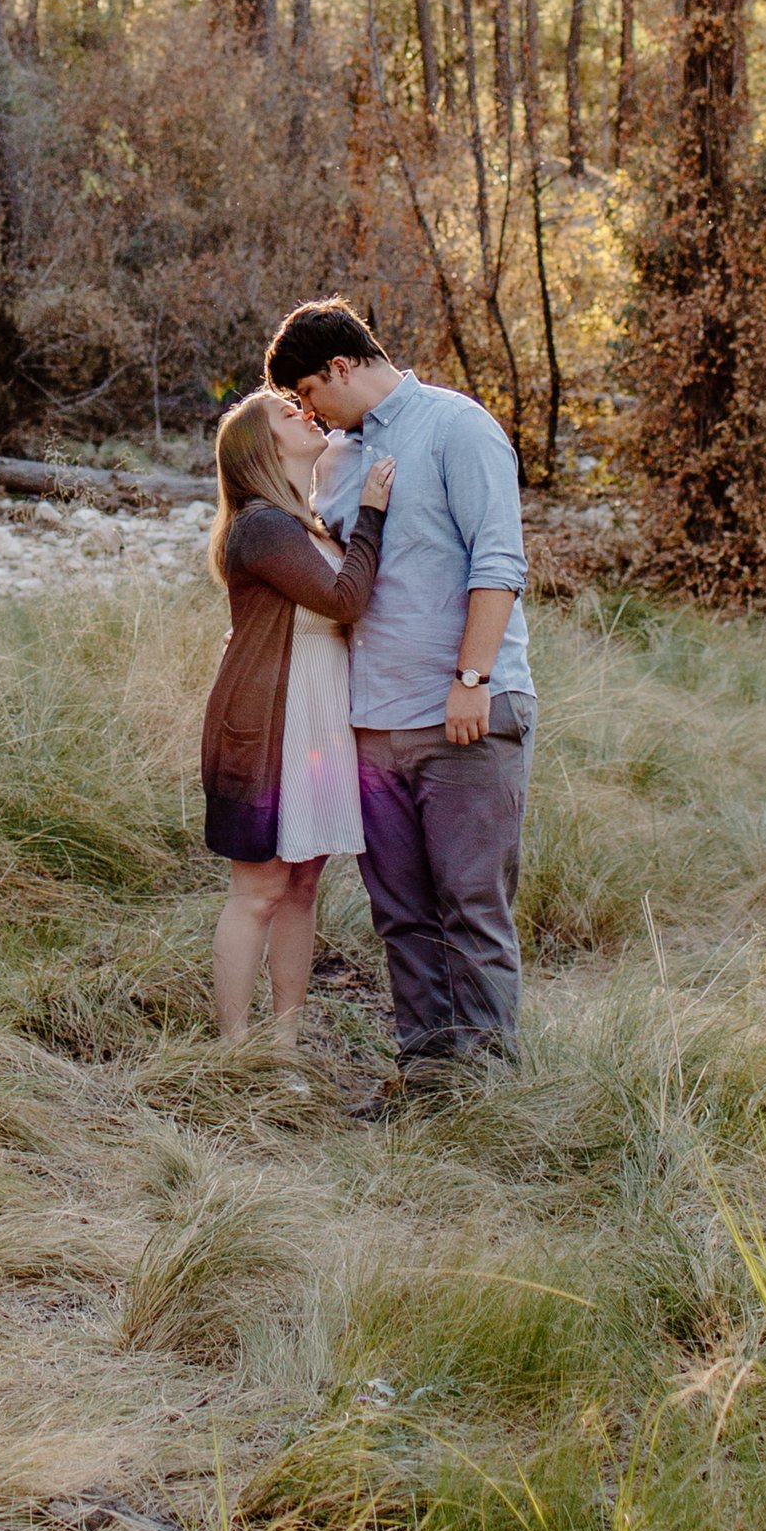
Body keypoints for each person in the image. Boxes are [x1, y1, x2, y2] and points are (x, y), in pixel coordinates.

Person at [265, 301, 533, 1076]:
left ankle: (486, 1088)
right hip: (372, 724)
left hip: (465, 714)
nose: (309, 414)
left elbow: (499, 563)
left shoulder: (458, 427)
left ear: (341, 367)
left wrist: (471, 680)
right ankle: (425, 1076)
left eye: (309, 396)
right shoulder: (341, 458)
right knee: (403, 916)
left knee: (472, 909)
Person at [198, 387, 394, 1050]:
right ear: (265, 447)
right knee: (258, 890)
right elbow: (344, 601)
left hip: (315, 718)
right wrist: (371, 514)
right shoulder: (262, 525)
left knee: (302, 885)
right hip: (270, 725)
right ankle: (234, 1048)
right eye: (290, 414)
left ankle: (283, 1045)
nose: (307, 415)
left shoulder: (303, 524)